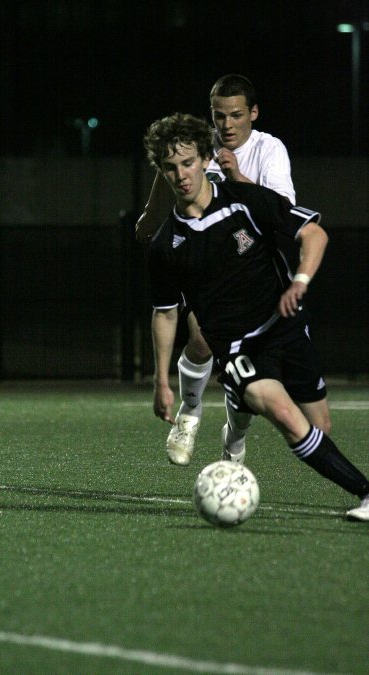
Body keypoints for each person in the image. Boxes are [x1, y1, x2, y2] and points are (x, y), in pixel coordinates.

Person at [143, 111, 369, 521]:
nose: (181, 175)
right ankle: (367, 492)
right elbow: (165, 313)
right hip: (237, 347)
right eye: (170, 167)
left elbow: (314, 234)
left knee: (320, 425)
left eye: (189, 162)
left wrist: (299, 281)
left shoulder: (246, 200)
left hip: (284, 326)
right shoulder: (165, 245)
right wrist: (161, 380)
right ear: (161, 171)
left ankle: (236, 408)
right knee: (282, 414)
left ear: (207, 159)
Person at [137, 75, 300, 467]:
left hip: (256, 278)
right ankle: (189, 414)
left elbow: (283, 214)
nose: (226, 125)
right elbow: (153, 220)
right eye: (218, 115)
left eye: (236, 115)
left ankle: (235, 435)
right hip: (207, 276)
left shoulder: (269, 150)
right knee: (203, 337)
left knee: (249, 387)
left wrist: (236, 177)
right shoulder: (196, 148)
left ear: (253, 114)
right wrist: (156, 205)